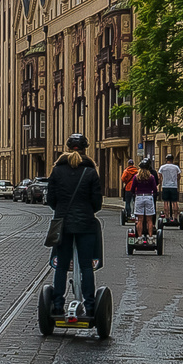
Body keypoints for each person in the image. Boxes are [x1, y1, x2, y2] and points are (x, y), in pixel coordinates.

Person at [46, 134, 104, 316]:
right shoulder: (91, 171)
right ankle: (90, 306)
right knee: (87, 266)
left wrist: (62, 210)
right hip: (86, 224)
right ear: (85, 149)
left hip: (63, 224)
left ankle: (57, 305)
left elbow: (51, 200)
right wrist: (87, 210)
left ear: (68, 148)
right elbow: (97, 202)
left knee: (61, 266)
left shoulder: (57, 170)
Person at [131, 158, 159, 240]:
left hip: (139, 197)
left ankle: (139, 237)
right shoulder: (151, 177)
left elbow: (132, 188)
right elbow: (155, 188)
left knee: (140, 219)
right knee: (149, 219)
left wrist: (135, 193)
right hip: (148, 196)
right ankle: (150, 237)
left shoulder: (136, 177)